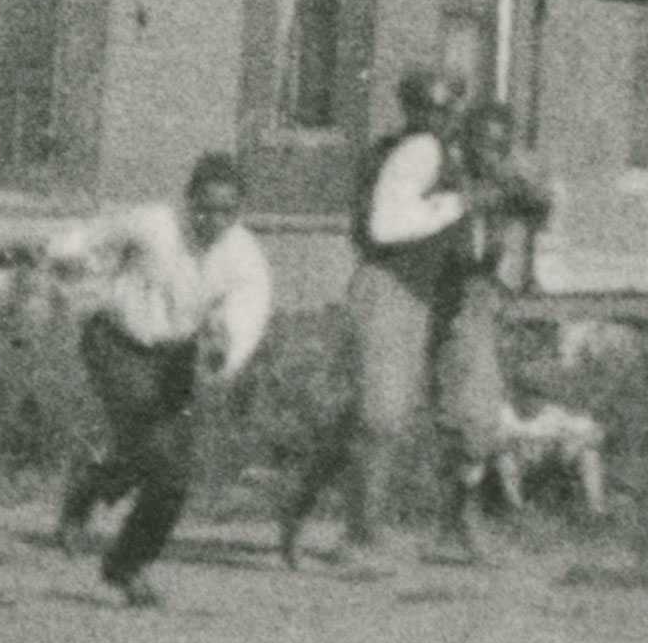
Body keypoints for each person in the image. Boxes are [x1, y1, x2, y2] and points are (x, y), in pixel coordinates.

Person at [50, 154, 273, 607]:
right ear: (188, 201)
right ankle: (89, 497)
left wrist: (224, 348)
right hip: (116, 342)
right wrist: (70, 261)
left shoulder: (243, 256)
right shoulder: (154, 224)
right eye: (205, 207)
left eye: (226, 210)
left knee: (173, 477)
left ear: (239, 212)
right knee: (152, 446)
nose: (213, 219)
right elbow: (87, 240)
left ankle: (123, 556)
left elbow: (248, 312)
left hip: (174, 357)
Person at [277, 72, 473, 568]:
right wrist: (454, 205)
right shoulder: (416, 151)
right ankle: (361, 538)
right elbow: (385, 227)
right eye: (429, 110)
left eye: (446, 111)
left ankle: (301, 499)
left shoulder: (438, 154)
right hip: (388, 286)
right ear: (412, 111)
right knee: (382, 416)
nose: (438, 120)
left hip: (416, 293)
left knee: (377, 415)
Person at [431, 98, 552, 560]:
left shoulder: (503, 183)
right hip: (433, 297)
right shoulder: (445, 176)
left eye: (502, 146)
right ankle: (306, 497)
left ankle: (459, 515)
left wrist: (522, 183)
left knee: (479, 420)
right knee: (384, 414)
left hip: (475, 302)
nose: (492, 154)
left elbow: (540, 208)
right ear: (467, 141)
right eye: (485, 144)